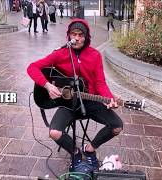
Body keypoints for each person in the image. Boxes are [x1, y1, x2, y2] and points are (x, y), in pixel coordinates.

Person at [27, 19, 123, 170]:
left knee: (117, 126)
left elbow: (100, 82)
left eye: (80, 35)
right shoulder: (59, 54)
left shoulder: (95, 55)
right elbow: (32, 67)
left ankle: (89, 149)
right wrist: (47, 85)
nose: (77, 38)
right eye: (73, 34)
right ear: (69, 36)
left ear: (86, 37)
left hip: (89, 102)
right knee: (54, 132)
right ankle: (75, 153)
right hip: (67, 104)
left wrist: (109, 98)